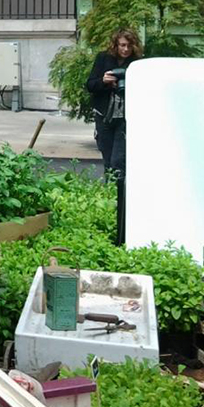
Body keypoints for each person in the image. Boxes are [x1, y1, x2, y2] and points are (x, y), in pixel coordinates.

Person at [85, 28, 142, 246]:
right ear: (115, 45)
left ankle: (121, 196)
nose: (125, 50)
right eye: (121, 46)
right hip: (105, 116)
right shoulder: (103, 59)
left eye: (128, 46)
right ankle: (110, 197)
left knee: (119, 161)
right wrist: (104, 81)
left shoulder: (137, 64)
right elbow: (90, 85)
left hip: (124, 119)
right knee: (108, 158)